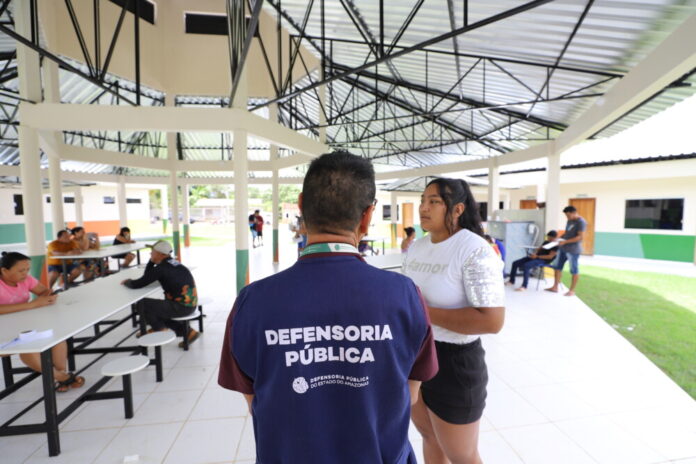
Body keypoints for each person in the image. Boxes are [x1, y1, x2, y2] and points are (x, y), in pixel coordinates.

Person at [218, 151, 438, 463]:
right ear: (367, 215)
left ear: (301, 205)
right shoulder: (405, 295)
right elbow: (410, 395)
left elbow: (257, 403)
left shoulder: (252, 301)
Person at [403, 178, 505, 464]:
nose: (424, 208)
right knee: (430, 437)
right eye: (423, 200)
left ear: (457, 209)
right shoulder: (417, 247)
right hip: (417, 355)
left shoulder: (474, 249)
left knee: (462, 455)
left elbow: (492, 321)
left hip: (454, 363)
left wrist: (421, 311)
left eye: (434, 201)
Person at [0, 252, 85, 392]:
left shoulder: (26, 279)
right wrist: (32, 305)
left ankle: (61, 375)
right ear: (4, 270)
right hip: (4, 333)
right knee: (30, 349)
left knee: (57, 338)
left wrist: (48, 296)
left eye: (27, 269)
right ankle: (61, 377)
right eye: (21, 270)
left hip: (23, 325)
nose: (25, 273)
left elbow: (44, 292)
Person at [121, 240, 200, 348]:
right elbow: (148, 276)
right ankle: (188, 332)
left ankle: (159, 329)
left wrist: (127, 282)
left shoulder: (161, 268)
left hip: (181, 307)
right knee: (156, 310)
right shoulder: (174, 263)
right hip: (190, 305)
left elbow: (138, 284)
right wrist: (151, 261)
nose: (150, 253)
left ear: (161, 254)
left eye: (153, 251)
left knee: (142, 304)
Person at [546, 205, 587, 297]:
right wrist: (558, 239)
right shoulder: (569, 220)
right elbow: (567, 233)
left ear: (574, 213)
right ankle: (555, 287)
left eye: (568, 215)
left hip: (573, 250)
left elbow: (580, 237)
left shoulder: (581, 222)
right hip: (563, 248)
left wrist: (565, 242)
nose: (567, 217)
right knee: (557, 267)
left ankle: (571, 291)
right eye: (566, 216)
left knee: (574, 270)